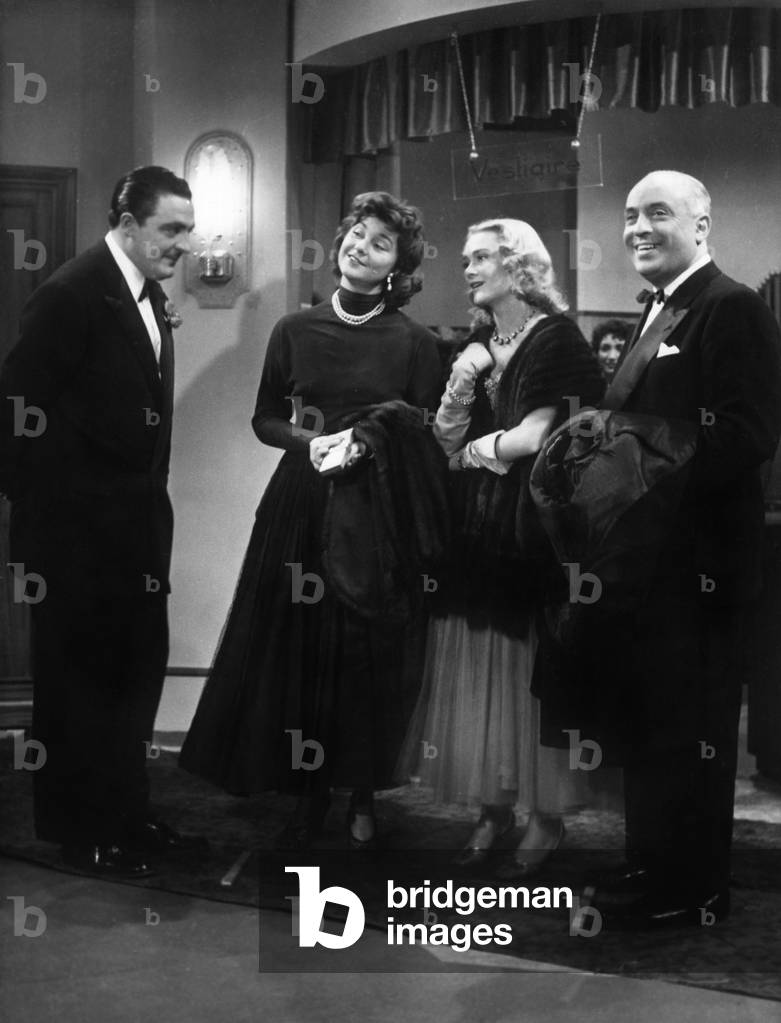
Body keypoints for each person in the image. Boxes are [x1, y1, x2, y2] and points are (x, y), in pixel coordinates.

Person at [179, 192, 446, 849]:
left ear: (397, 266)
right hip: (301, 501)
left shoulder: (416, 342)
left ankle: (360, 794)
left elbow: (428, 432)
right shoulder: (292, 329)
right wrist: (309, 443)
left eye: (379, 241)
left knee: (364, 657)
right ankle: (307, 795)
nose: (360, 245)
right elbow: (265, 416)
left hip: (377, 510)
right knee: (298, 649)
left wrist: (372, 445)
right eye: (356, 232)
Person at [582, 171, 781, 928]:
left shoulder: (730, 308)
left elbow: (746, 435)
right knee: (651, 726)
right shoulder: (659, 309)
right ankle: (650, 863)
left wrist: (632, 470)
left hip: (699, 567)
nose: (636, 227)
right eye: (628, 215)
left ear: (700, 224)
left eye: (655, 214)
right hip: (647, 569)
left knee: (693, 734)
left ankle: (694, 888)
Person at [0, 166, 197, 877]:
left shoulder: (146, 294)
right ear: (128, 222)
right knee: (77, 694)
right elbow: (15, 415)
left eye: (187, 229)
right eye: (171, 229)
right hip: (75, 544)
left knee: (131, 684)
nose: (185, 244)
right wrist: (52, 522)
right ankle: (82, 831)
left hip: (137, 538)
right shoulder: (70, 294)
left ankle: (127, 814)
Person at [397, 219, 605, 877]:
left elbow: (535, 436)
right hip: (478, 532)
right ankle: (492, 810)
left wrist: (472, 455)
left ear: (519, 267)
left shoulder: (558, 341)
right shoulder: (479, 341)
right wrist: (463, 379)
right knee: (476, 663)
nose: (466, 267)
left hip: (534, 534)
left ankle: (544, 818)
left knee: (526, 674)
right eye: (465, 257)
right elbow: (442, 435)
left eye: (481, 256)